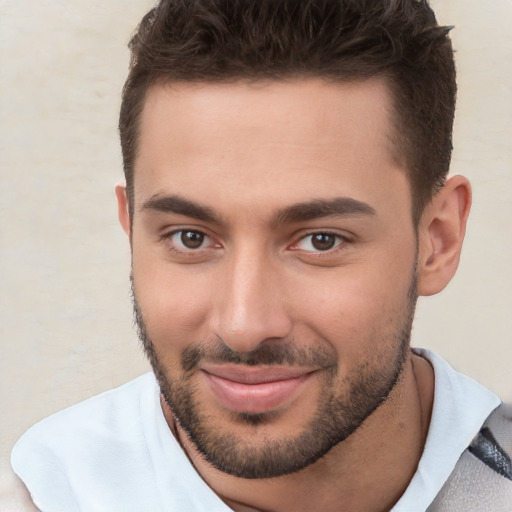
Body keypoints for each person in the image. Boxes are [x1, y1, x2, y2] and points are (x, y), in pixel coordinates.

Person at [10, 0, 512, 510]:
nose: (244, 325)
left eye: (321, 240)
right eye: (190, 237)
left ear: (437, 240)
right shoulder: (45, 492)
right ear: (132, 230)